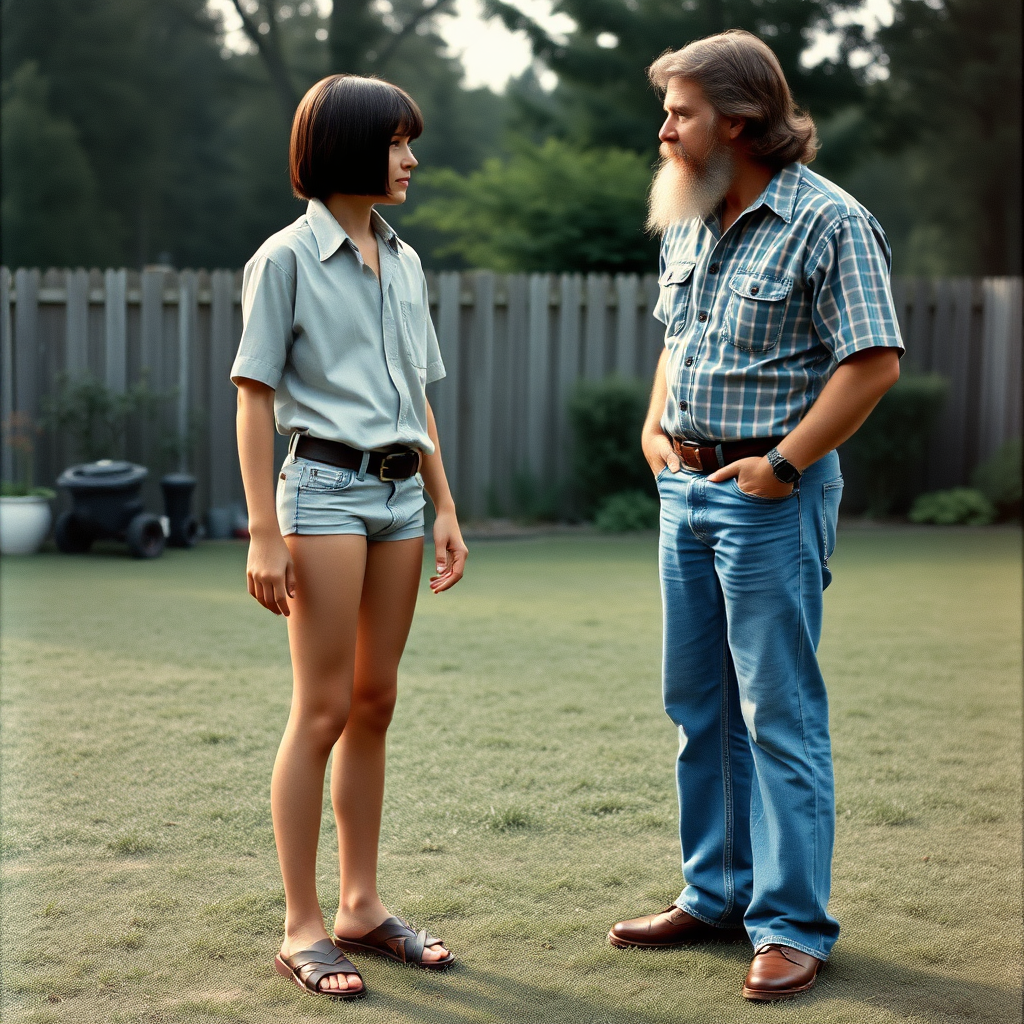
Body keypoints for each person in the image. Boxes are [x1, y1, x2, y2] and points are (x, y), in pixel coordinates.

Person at [607, 31, 903, 1001]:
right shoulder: (690, 215)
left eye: (680, 112)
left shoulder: (829, 222)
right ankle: (715, 894)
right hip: (682, 494)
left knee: (776, 715)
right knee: (697, 711)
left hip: (766, 502)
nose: (664, 128)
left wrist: (781, 465)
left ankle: (789, 926)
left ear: (737, 120)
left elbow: (871, 362)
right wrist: (654, 429)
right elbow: (674, 340)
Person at [231, 74, 468, 1002]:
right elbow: (253, 398)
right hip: (321, 493)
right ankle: (302, 926)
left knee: (376, 701)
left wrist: (445, 506)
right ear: (348, 151)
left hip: (402, 500)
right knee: (322, 708)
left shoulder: (406, 263)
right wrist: (263, 529)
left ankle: (362, 908)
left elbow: (419, 405)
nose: (412, 160)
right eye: (399, 143)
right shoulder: (284, 260)